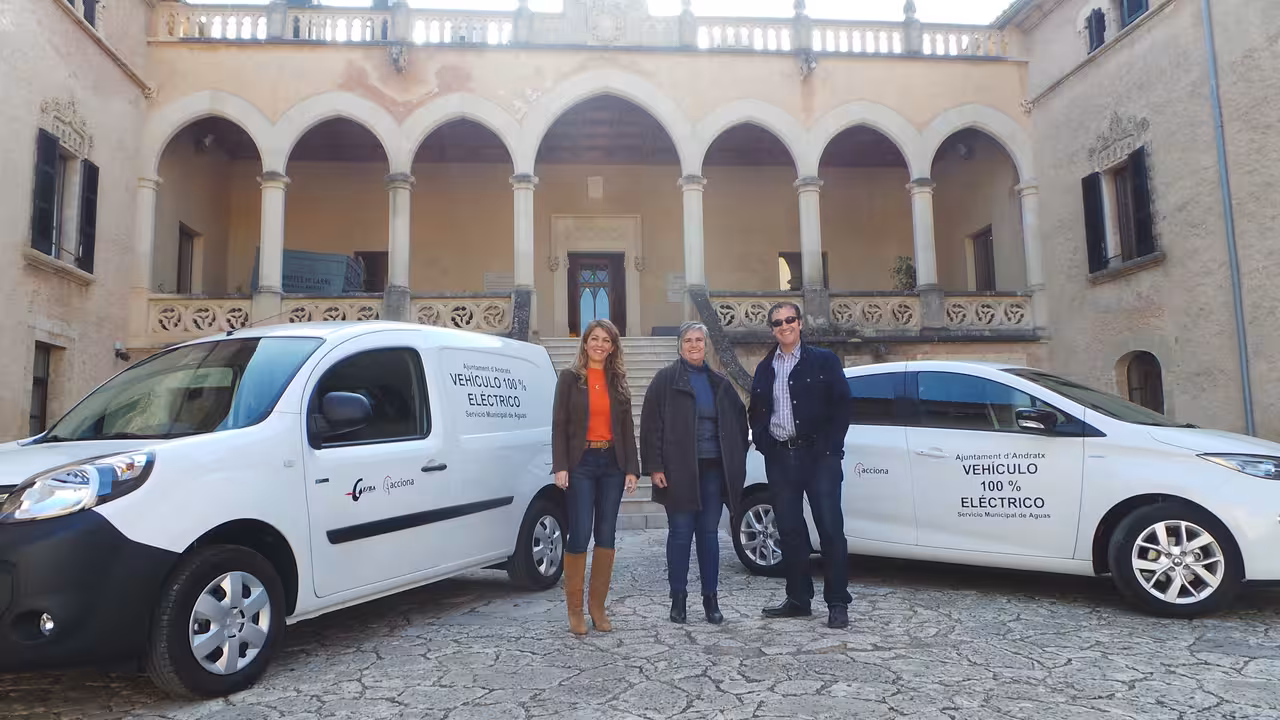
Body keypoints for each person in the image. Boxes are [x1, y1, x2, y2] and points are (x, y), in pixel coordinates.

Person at [747, 302, 853, 629]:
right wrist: (764, 443)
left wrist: (831, 449)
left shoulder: (824, 360)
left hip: (819, 456)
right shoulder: (765, 367)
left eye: (789, 319)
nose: (784, 326)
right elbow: (756, 410)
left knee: (830, 529)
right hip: (781, 457)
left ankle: (837, 602)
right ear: (772, 330)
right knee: (790, 530)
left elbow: (843, 406)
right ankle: (797, 599)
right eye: (777, 322)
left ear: (801, 323)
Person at [640, 321, 748, 625]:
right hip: (678, 469)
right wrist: (655, 467)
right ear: (680, 345)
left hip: (714, 469)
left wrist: (735, 457)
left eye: (699, 340)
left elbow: (739, 422)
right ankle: (678, 599)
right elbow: (650, 426)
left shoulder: (720, 382)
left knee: (709, 535)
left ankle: (711, 599)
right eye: (688, 340)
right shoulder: (665, 380)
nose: (694, 345)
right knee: (680, 534)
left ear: (706, 344)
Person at [551, 318, 639, 635]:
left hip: (612, 463)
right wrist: (561, 466)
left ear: (612, 347)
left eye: (606, 340)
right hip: (581, 464)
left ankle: (597, 607)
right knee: (579, 533)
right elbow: (559, 424)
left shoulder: (618, 381)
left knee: (606, 534)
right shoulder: (569, 379)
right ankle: (574, 610)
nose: (600, 345)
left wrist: (632, 468)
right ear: (585, 343)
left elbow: (626, 429)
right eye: (595, 339)